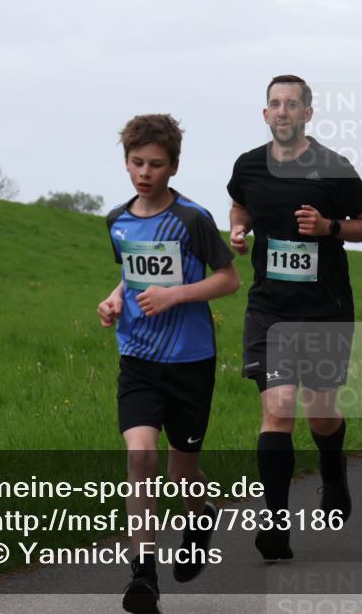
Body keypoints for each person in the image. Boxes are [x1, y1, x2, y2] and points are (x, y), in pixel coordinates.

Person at [227, 75, 362, 560]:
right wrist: (237, 227)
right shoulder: (248, 165)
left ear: (308, 113)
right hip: (269, 308)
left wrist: (330, 227)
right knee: (278, 406)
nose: (283, 111)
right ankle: (274, 524)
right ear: (265, 113)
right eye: (275, 104)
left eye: (292, 104)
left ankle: (333, 471)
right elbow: (240, 203)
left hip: (324, 309)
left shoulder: (333, 167)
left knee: (320, 409)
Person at [97, 114, 240, 614]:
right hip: (136, 357)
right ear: (126, 162)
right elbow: (131, 276)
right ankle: (143, 576)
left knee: (183, 473)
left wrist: (176, 295)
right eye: (137, 163)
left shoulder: (192, 219)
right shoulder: (117, 220)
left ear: (173, 166)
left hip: (189, 361)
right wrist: (114, 300)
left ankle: (200, 518)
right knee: (140, 459)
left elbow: (228, 280)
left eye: (156, 165)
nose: (145, 172)